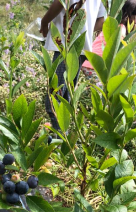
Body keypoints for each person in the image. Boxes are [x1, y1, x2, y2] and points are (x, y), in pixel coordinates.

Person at [40, 0, 107, 131]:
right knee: (65, 98)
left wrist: (44, 22)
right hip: (81, 46)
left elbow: (61, 3)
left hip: (65, 46)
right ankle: (66, 138)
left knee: (53, 99)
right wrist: (83, 28)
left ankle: (61, 142)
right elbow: (102, 21)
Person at [81, 0, 136, 78]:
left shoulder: (113, 27)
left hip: (89, 63)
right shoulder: (120, 30)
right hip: (97, 67)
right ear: (127, 15)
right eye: (135, 17)